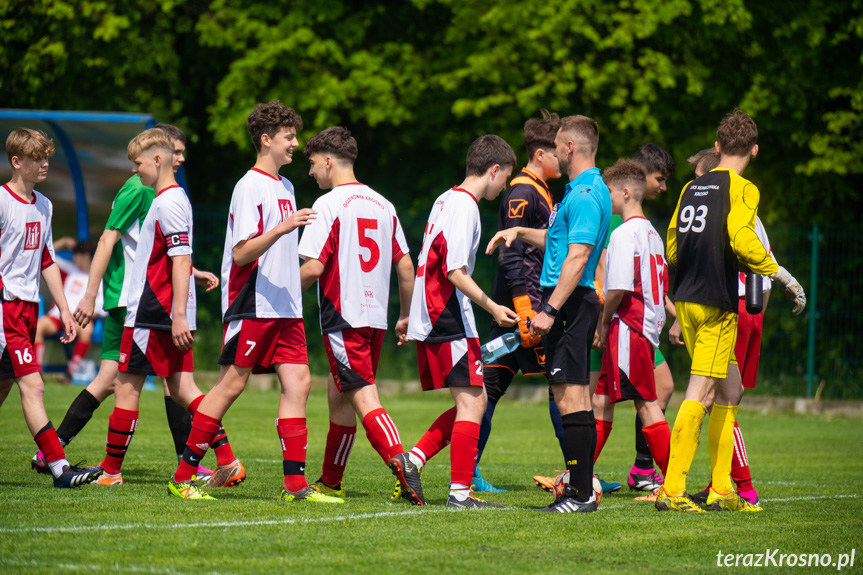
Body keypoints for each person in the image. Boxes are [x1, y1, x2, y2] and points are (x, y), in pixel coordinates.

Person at [30, 124, 218, 484]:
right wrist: (90, 294)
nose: (181, 159)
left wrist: (191, 272)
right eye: (177, 152)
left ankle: (68, 456)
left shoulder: (163, 195)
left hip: (148, 300)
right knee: (135, 383)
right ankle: (197, 461)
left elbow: (162, 253)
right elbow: (108, 241)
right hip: (132, 302)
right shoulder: (141, 190)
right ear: (161, 155)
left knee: (141, 383)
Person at [167, 101, 333, 502]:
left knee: (300, 382)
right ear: (266, 139)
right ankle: (183, 477)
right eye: (289, 137)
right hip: (252, 302)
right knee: (232, 384)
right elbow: (241, 254)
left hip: (285, 306)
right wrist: (283, 226)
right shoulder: (249, 185)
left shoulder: (287, 186)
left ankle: (296, 485)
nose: (295, 144)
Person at [657, 109, 806, 513]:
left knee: (730, 390)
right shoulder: (743, 189)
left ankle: (722, 488)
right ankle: (672, 490)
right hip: (716, 303)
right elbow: (742, 238)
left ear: (718, 146)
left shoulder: (691, 188)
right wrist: (781, 276)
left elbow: (673, 245)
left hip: (686, 299)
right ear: (754, 150)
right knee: (701, 392)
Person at [91, 128, 237, 489]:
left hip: (152, 312)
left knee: (126, 387)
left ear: (157, 160)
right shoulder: (173, 198)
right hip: (166, 311)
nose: (135, 171)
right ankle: (227, 460)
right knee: (184, 388)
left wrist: (179, 316)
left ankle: (111, 472)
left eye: (138, 164)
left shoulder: (168, 201)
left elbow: (179, 256)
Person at [487, 115, 610, 512]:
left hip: (570, 304)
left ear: (570, 147)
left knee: (573, 396)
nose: (553, 151)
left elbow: (578, 256)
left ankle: (580, 493)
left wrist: (550, 310)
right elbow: (558, 240)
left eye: (558, 145)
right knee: (566, 395)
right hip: (566, 303)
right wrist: (519, 232)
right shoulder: (575, 192)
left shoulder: (588, 193)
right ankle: (579, 489)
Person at [297, 126, 418, 504]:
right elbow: (406, 268)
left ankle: (402, 461)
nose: (312, 172)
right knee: (340, 396)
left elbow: (314, 268)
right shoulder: (384, 205)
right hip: (375, 319)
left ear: (329, 161)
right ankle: (331, 481)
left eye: (314, 164)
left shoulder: (328, 204)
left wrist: (277, 292)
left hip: (343, 315)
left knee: (364, 397)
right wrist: (407, 316)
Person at [401, 134, 518, 508]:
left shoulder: (445, 198)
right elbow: (453, 270)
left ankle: (414, 460)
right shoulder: (466, 206)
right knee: (472, 403)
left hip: (436, 311)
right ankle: (459, 493)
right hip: (446, 313)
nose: (503, 189)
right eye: (505, 179)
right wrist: (493, 307)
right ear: (494, 170)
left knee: (476, 400)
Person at [0, 127, 103, 487]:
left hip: (28, 310)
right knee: (34, 387)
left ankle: (58, 467)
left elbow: (47, 262)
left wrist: (64, 310)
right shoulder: (1, 201)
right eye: (37, 157)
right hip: (6, 310)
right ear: (16, 161)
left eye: (47, 157)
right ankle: (59, 469)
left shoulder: (44, 204)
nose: (45, 163)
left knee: (3, 389)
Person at [473, 110, 562, 493]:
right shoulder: (523, 190)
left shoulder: (540, 189)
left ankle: (466, 469)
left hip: (529, 308)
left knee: (490, 388)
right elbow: (510, 252)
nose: (565, 157)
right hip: (524, 311)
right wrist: (527, 309)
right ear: (541, 153)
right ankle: (578, 475)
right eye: (559, 150)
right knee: (564, 385)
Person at [679, 148, 770, 507]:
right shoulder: (735, 204)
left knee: (709, 393)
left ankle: (690, 487)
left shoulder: (729, 202)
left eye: (703, 178)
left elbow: (750, 256)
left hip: (729, 305)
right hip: (739, 305)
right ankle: (725, 486)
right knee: (729, 393)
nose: (701, 186)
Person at [589, 158, 672, 499]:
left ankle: (674, 483)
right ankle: (577, 474)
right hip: (644, 328)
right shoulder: (652, 233)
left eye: (609, 192)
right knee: (600, 401)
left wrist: (603, 323)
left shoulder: (623, 233)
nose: (606, 199)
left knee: (647, 404)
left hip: (628, 329)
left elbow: (618, 288)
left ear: (624, 192)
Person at [34, 238, 103, 381]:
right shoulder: (69, 269)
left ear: (86, 256)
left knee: (87, 330)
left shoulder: (98, 279)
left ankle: (70, 373)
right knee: (38, 327)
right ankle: (37, 371)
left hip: (79, 319)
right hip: (58, 316)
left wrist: (81, 316)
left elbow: (100, 308)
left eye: (76, 254)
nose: (73, 258)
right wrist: (64, 241)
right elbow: (45, 253)